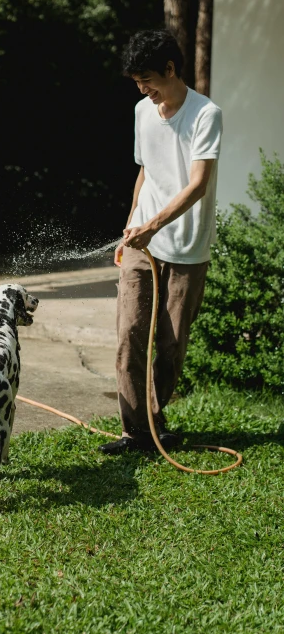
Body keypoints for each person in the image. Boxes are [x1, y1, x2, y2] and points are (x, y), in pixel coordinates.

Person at [100, 29, 222, 455]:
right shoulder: (141, 111)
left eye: (147, 79)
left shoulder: (206, 115)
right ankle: (135, 432)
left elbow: (198, 185)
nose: (143, 89)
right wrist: (132, 224)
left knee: (169, 346)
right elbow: (146, 172)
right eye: (136, 82)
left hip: (186, 246)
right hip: (142, 240)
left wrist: (154, 224)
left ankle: (154, 421)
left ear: (170, 69)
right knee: (129, 333)